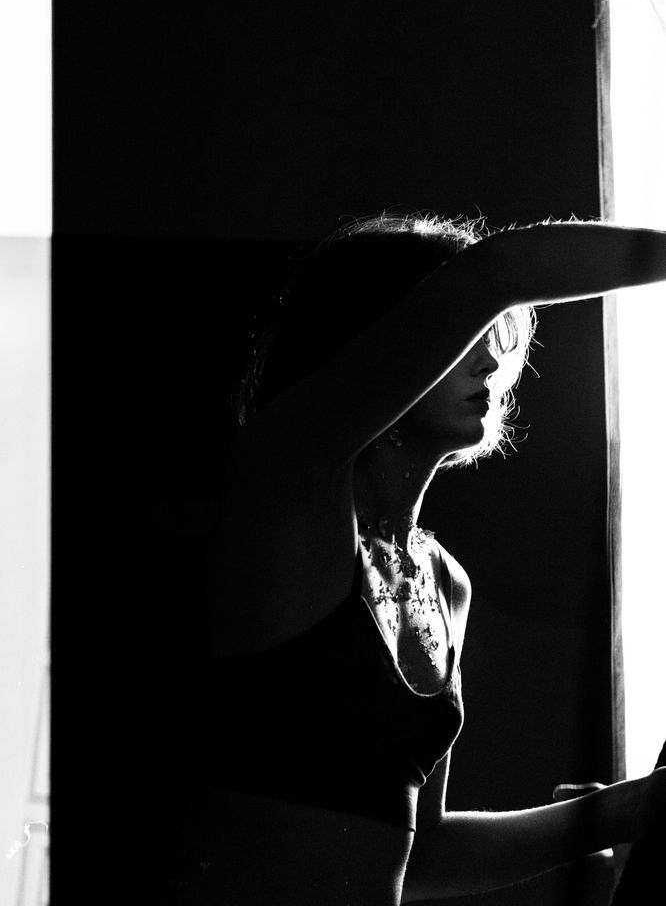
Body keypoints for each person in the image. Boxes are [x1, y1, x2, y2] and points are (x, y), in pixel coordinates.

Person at [177, 212, 666, 905]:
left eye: (495, 337)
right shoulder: (289, 486)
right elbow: (502, 270)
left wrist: (626, 809)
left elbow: (423, 853)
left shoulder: (443, 581)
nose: (491, 361)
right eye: (461, 329)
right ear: (376, 346)